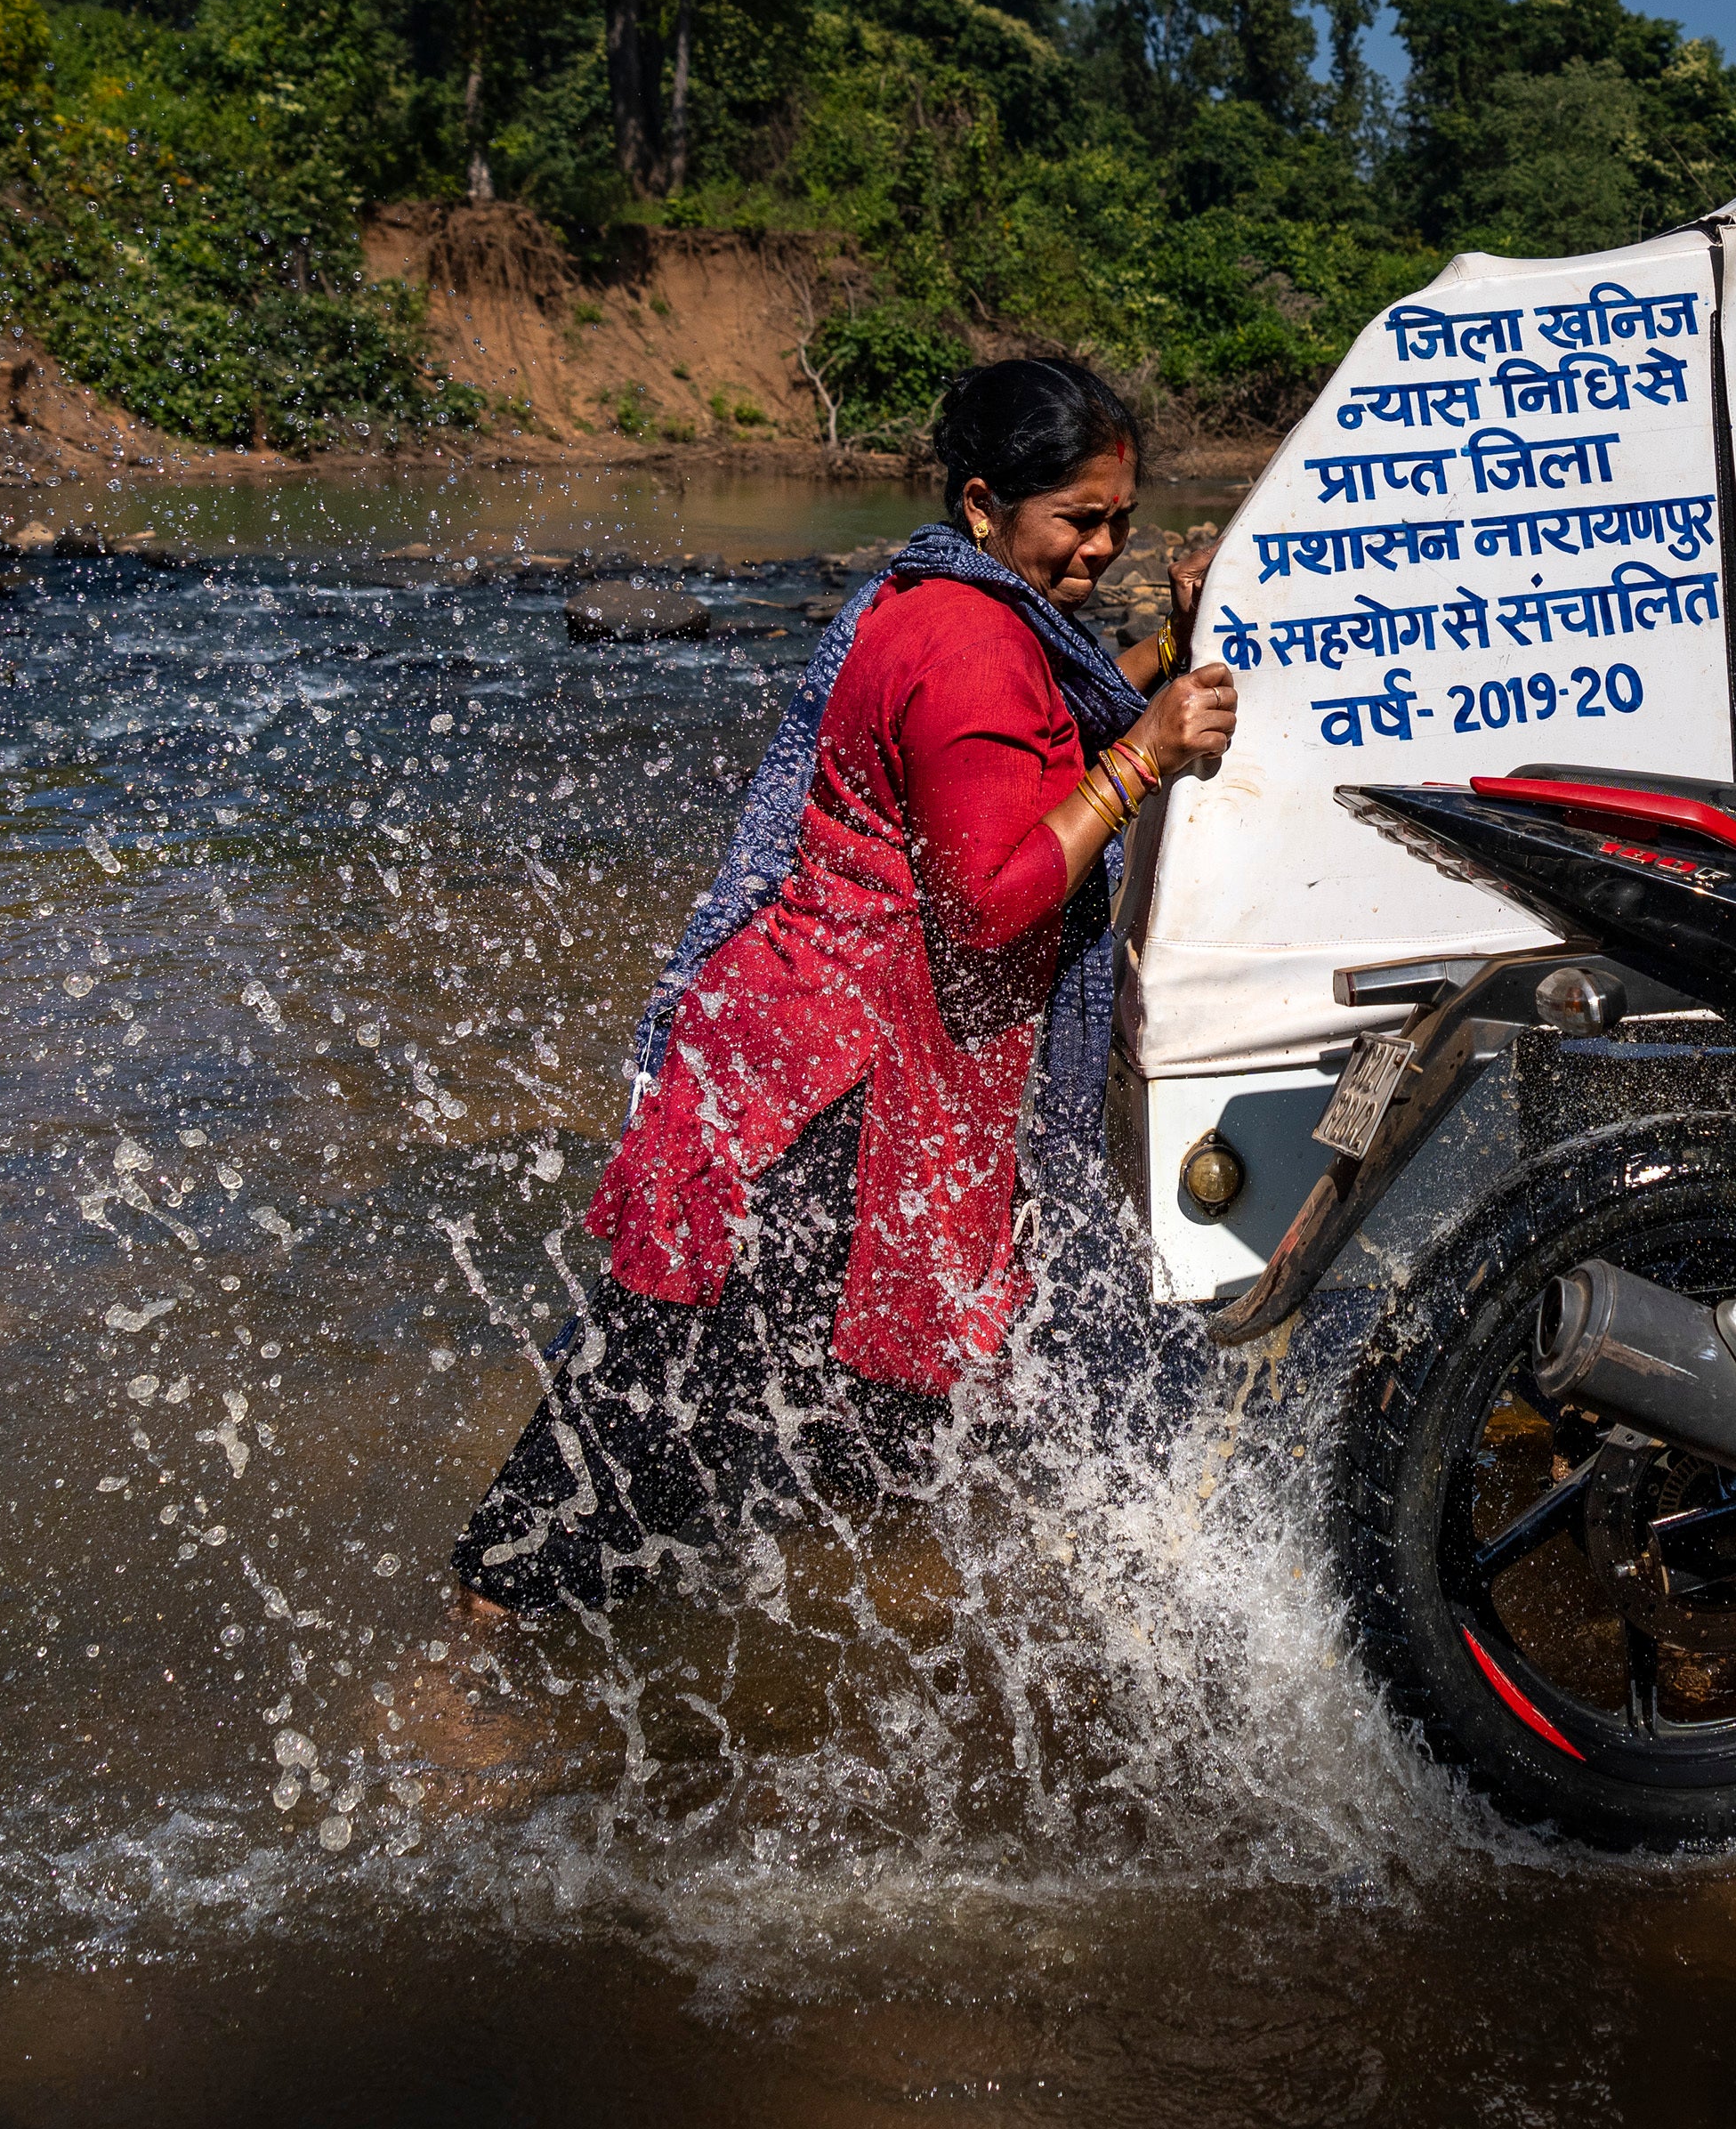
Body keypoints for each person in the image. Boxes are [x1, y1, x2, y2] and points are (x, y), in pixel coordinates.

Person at [433, 356, 1238, 1641]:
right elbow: (993, 899)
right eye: (1078, 521)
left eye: (1120, 524)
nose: (1102, 549)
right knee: (652, 1402)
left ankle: (754, 1644)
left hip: (797, 1049)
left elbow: (1027, 751)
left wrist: (1160, 659)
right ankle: (477, 1659)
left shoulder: (939, 601)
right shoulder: (972, 642)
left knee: (789, 1395)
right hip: (829, 1085)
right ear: (986, 503)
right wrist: (1145, 755)